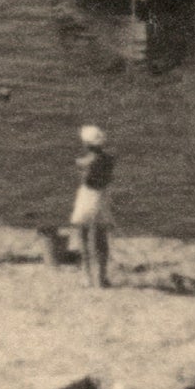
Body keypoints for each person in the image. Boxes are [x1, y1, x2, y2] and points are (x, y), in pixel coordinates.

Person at [70, 123, 115, 288]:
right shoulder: (110, 159)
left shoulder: (84, 162)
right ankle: (101, 277)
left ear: (87, 144)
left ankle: (86, 276)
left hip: (87, 197)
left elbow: (85, 179)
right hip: (102, 197)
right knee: (101, 238)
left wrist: (80, 167)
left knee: (82, 236)